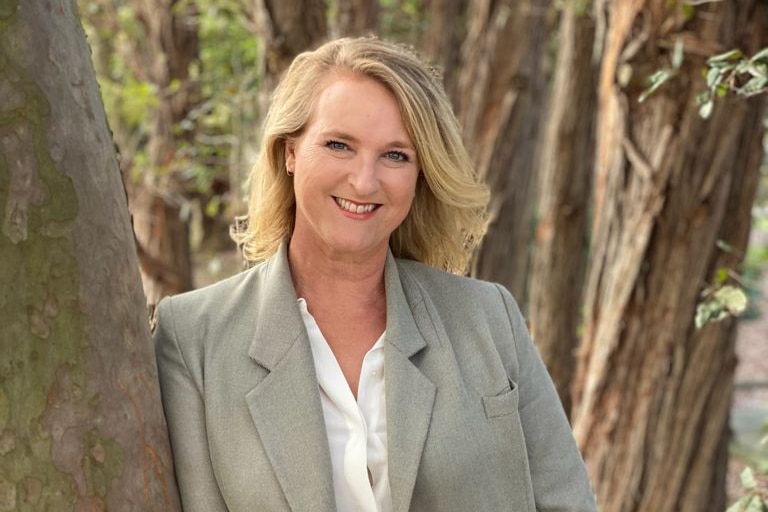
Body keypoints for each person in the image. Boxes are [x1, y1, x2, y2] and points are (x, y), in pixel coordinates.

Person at [153, 36, 597, 512]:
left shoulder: (490, 318)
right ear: (290, 152)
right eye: (339, 145)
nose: (365, 182)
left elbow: (567, 503)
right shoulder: (193, 337)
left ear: (420, 174)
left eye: (395, 155)